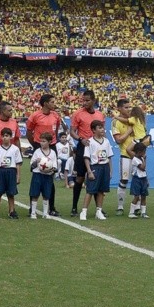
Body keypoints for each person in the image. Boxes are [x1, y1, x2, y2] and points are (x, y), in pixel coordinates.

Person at [25, 94, 62, 216]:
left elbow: (55, 132)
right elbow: (29, 132)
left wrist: (52, 143)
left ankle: (51, 207)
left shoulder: (56, 116)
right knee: (36, 177)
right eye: (52, 102)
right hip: (38, 146)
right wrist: (35, 144)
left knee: (50, 178)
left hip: (52, 146)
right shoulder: (35, 116)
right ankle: (32, 208)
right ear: (45, 103)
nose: (54, 104)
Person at [69, 89, 104, 217]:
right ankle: (74, 207)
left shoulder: (100, 115)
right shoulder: (78, 114)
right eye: (83, 100)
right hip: (83, 147)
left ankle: (98, 209)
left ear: (94, 100)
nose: (85, 103)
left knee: (95, 176)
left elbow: (102, 132)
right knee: (80, 177)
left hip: (96, 148)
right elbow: (72, 131)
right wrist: (80, 139)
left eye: (88, 100)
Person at [80, 119, 113, 222]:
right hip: (95, 167)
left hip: (105, 167)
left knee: (101, 191)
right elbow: (86, 158)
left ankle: (99, 211)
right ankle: (84, 211)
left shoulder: (106, 141)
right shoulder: (90, 142)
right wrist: (89, 171)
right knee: (90, 190)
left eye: (102, 127)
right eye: (99, 128)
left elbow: (109, 157)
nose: (102, 129)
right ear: (93, 130)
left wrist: (110, 170)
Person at [0, 127, 22, 220]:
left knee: (11, 193)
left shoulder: (15, 149)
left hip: (11, 171)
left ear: (11, 137)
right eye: (3, 136)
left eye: (7, 136)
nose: (4, 138)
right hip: (1, 172)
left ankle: (11, 211)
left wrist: (18, 176)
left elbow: (18, 163)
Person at [28, 132, 57, 219]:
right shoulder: (37, 151)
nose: (42, 143)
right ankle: (33, 212)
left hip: (48, 176)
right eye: (41, 141)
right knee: (35, 194)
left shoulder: (53, 153)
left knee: (46, 194)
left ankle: (45, 212)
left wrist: (51, 169)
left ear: (49, 142)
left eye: (44, 141)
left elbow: (55, 166)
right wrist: (36, 161)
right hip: (37, 175)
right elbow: (31, 165)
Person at [128, 140, 149, 219]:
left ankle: (143, 212)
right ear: (139, 152)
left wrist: (147, 180)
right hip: (137, 179)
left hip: (143, 179)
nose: (144, 153)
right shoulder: (135, 160)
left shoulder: (141, 158)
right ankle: (131, 212)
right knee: (136, 196)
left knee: (144, 196)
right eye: (144, 151)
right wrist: (145, 159)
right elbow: (143, 168)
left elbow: (144, 171)